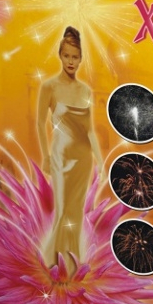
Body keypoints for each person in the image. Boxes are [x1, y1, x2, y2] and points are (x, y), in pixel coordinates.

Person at [36, 26, 104, 268]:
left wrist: (100, 161)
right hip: (60, 157)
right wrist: (45, 156)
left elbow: (89, 130)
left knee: (75, 213)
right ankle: (53, 261)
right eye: (66, 56)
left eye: (75, 57)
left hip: (83, 159)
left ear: (81, 59)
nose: (71, 61)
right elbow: (40, 122)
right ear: (60, 55)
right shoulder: (49, 87)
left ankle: (71, 264)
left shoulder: (85, 90)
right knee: (63, 210)